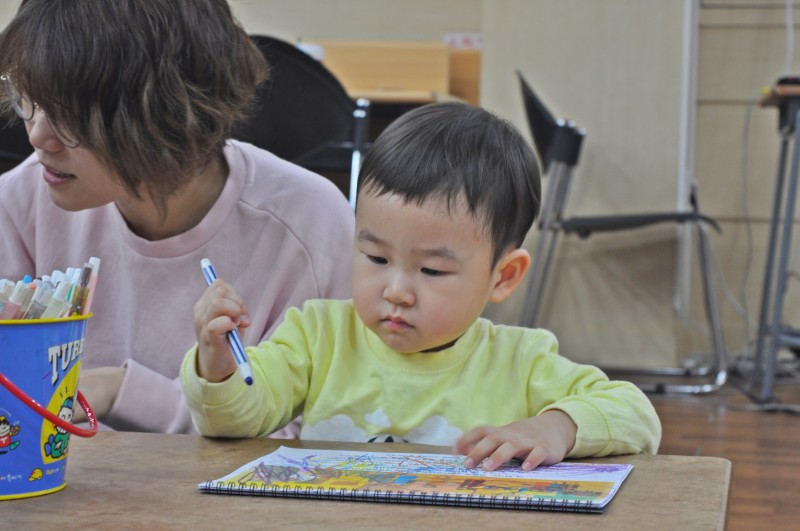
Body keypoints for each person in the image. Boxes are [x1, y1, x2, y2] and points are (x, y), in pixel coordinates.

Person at [182, 102, 661, 470]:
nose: (396, 290)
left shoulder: (520, 360)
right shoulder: (318, 335)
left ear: (503, 276)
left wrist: (555, 426)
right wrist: (219, 366)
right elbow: (233, 422)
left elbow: (636, 414)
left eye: (431, 271)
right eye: (375, 257)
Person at [0, 0, 354, 434]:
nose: (37, 135)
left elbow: (313, 433)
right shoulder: (20, 202)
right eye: (27, 99)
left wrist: (121, 390)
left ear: (165, 112)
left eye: (72, 115)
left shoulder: (306, 224)